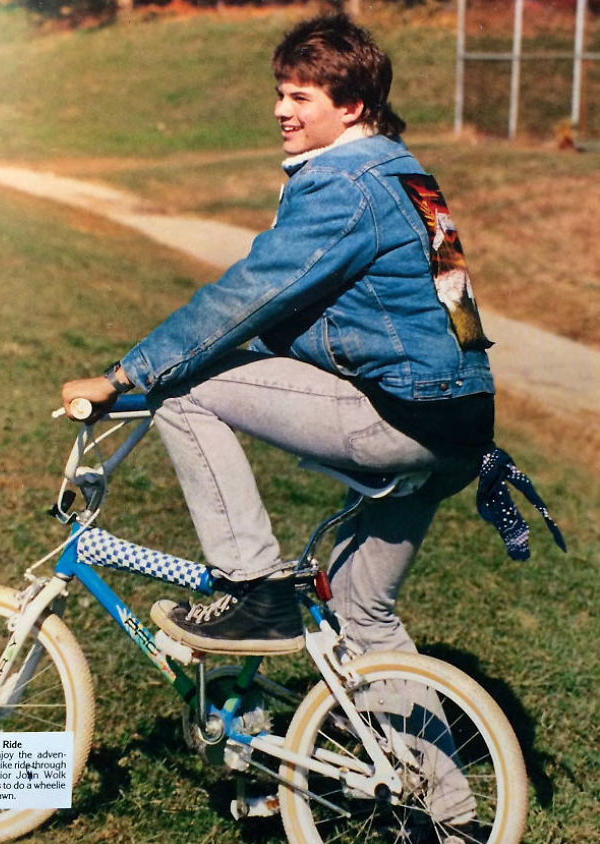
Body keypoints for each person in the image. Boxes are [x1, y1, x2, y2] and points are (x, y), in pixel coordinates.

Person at [61, 15, 546, 660]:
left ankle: (254, 589)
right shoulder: (406, 176)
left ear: (350, 107)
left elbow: (246, 299)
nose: (280, 110)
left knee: (180, 390)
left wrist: (126, 375)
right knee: (360, 615)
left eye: (299, 97)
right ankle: (424, 766)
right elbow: (448, 309)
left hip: (401, 417)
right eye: (280, 92)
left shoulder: (345, 185)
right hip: (461, 427)